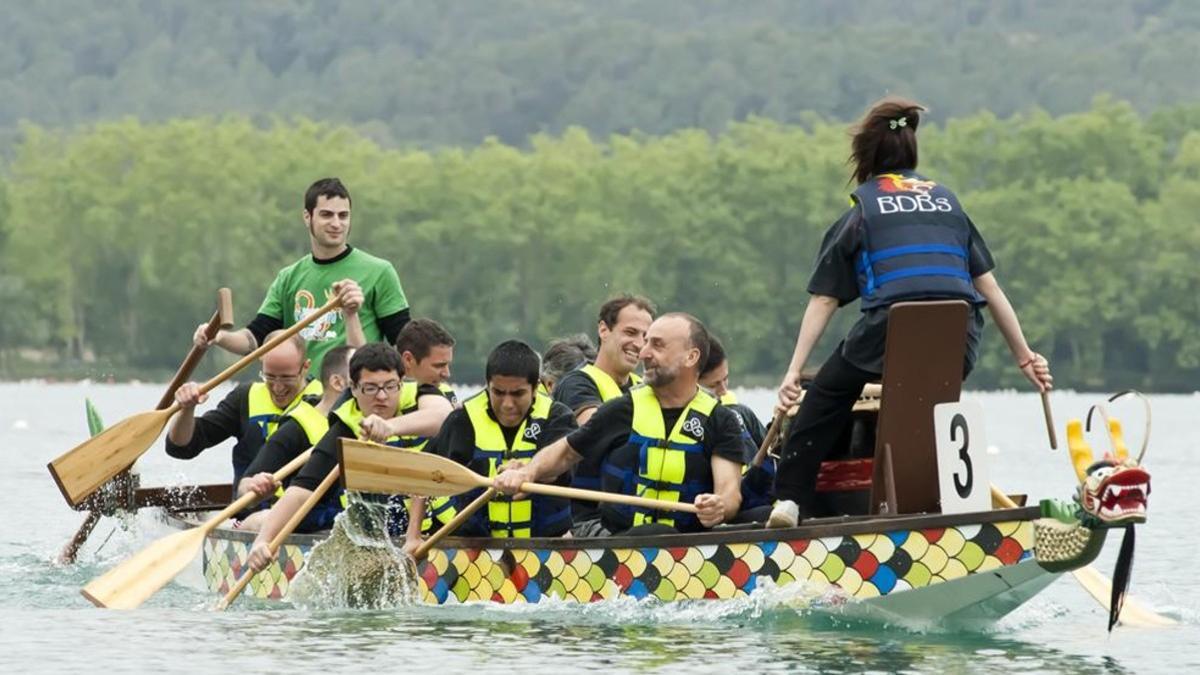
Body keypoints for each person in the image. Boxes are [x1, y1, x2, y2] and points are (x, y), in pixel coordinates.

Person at [767, 97, 1054, 529]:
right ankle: (931, 499)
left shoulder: (862, 208)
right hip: (959, 337)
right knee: (920, 401)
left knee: (825, 395)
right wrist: (1025, 356)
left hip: (888, 331)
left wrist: (793, 371)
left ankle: (789, 501)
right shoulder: (948, 202)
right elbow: (989, 287)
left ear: (865, 157)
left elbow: (825, 299)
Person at [495, 314, 750, 536]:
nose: (644, 353)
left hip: (687, 546)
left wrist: (718, 507)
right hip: (619, 543)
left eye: (657, 345)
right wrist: (526, 473)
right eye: (646, 342)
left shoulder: (720, 420)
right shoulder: (622, 409)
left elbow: (729, 493)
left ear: (691, 356)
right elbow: (566, 452)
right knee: (652, 532)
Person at [246, 343, 445, 569]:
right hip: (373, 528)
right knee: (297, 518)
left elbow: (442, 416)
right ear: (354, 388)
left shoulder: (422, 395)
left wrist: (390, 427)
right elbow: (303, 490)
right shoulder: (345, 428)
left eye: (390, 386)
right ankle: (254, 525)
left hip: (433, 525)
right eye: (370, 388)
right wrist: (263, 541)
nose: (382, 396)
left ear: (401, 382)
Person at [193, 177, 410, 373]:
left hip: (351, 396)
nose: (336, 224)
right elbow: (254, 340)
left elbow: (405, 346)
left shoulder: (380, 271)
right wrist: (218, 337)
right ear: (307, 217)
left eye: (343, 216)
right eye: (326, 215)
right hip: (300, 398)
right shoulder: (288, 277)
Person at [425, 341, 577, 538]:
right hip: (475, 551)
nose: (507, 404)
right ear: (487, 385)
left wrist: (527, 472)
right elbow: (427, 475)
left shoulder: (558, 418)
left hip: (545, 549)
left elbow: (560, 464)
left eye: (518, 394)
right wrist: (413, 537)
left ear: (535, 387)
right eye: (498, 392)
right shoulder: (462, 421)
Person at [551, 295, 654, 535]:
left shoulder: (645, 387)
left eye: (646, 338)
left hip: (633, 513)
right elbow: (595, 433)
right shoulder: (577, 384)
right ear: (604, 330)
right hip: (585, 518)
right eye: (630, 332)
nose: (639, 344)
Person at [165, 331, 320, 487]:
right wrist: (186, 409)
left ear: (305, 367)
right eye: (270, 377)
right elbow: (181, 448)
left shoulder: (324, 402)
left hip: (304, 507)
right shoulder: (244, 397)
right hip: (249, 506)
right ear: (261, 360)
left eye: (287, 377)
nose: (278, 387)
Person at [234, 344, 354, 530]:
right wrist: (254, 487)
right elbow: (244, 490)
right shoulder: (295, 429)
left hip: (355, 526)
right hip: (309, 526)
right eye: (359, 378)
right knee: (259, 519)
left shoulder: (371, 422)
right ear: (338, 383)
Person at [699, 334, 773, 517]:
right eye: (714, 384)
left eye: (726, 379)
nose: (724, 390)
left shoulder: (741, 412)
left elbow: (770, 453)